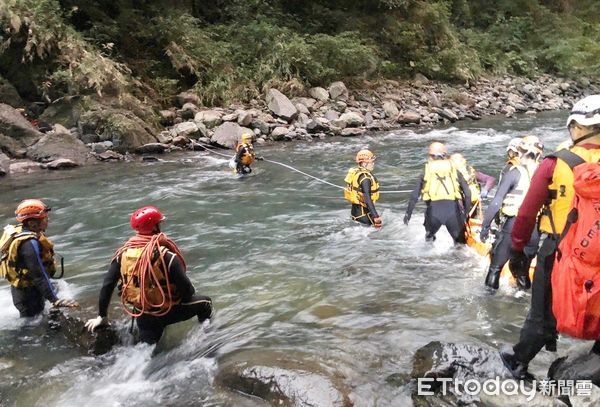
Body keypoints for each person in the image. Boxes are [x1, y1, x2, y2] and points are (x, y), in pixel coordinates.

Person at [501, 95, 600, 380]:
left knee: (542, 313)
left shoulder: (554, 164)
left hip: (560, 248)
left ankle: (519, 362)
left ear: (579, 127)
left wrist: (518, 250)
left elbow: (526, 214)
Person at [85, 206, 213, 344]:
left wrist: (102, 316)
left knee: (148, 349)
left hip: (143, 315)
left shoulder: (123, 255)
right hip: (169, 311)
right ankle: (207, 339)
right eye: (159, 224)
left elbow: (107, 285)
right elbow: (188, 292)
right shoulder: (167, 256)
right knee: (206, 303)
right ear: (155, 227)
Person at [480, 136, 543, 289]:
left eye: (519, 151)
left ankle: (489, 306)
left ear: (524, 152)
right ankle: (522, 301)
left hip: (513, 226)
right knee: (523, 272)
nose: (517, 154)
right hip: (535, 229)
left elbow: (496, 202)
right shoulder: (545, 172)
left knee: (495, 268)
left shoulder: (514, 172)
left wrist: (485, 226)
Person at [0, 199, 78, 317]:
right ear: (32, 223)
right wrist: (55, 300)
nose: (48, 220)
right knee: (33, 324)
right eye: (45, 218)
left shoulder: (23, 232)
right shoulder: (29, 244)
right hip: (28, 295)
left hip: (23, 290)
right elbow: (38, 275)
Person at [404, 142, 471, 243]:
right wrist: (466, 214)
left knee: (429, 243)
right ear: (445, 155)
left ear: (431, 156)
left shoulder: (426, 171)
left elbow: (414, 195)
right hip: (453, 212)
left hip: (433, 213)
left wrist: (408, 215)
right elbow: (468, 193)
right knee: (460, 246)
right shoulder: (454, 170)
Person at [450, 153, 495, 219]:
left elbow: (490, 179)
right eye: (461, 159)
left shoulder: (471, 173)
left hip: (472, 208)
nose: (464, 160)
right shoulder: (449, 176)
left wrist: (486, 189)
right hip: (459, 210)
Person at [344, 149, 382, 228]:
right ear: (364, 163)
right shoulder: (365, 178)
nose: (373, 164)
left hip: (355, 213)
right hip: (364, 216)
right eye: (371, 162)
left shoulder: (357, 172)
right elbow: (367, 199)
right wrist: (376, 216)